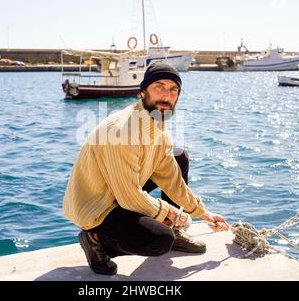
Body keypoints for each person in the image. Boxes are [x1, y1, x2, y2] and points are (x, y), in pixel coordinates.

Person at [63, 63, 229, 275]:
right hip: (97, 206)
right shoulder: (121, 131)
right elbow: (129, 198)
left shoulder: (157, 126)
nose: (166, 95)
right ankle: (96, 239)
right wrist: (171, 214)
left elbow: (172, 179)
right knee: (160, 241)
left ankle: (174, 229)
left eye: (173, 89)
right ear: (142, 91)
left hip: (120, 191)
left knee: (179, 158)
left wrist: (203, 213)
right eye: (159, 86)